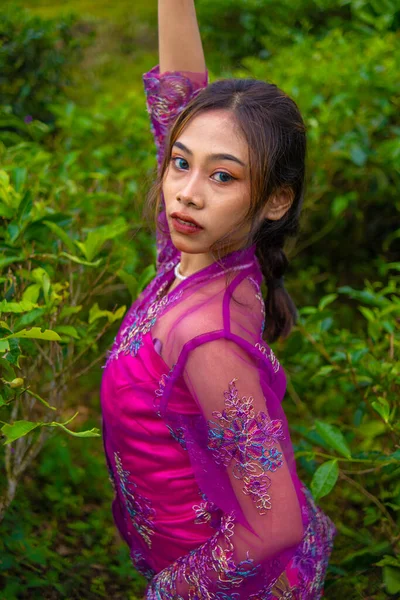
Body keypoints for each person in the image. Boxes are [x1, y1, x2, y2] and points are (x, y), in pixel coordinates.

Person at [100, 1, 337, 597]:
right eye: (180, 164)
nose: (185, 193)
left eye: (222, 176)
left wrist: (172, 591)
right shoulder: (205, 251)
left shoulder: (205, 335)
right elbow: (182, 108)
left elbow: (275, 525)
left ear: (275, 199)